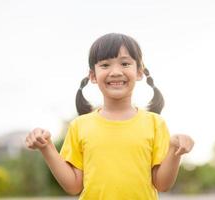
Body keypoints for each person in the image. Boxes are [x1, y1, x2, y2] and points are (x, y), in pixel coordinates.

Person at [25, 33, 194, 200]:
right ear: (92, 76)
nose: (115, 72)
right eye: (105, 65)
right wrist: (46, 147)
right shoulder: (79, 125)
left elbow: (163, 184)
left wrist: (174, 151)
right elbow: (73, 186)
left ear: (139, 72)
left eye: (125, 63)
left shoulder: (155, 123)